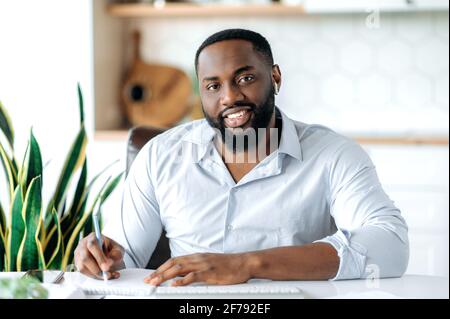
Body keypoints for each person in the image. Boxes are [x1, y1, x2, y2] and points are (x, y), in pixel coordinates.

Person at [74, 29, 409, 286]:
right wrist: (101, 259)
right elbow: (125, 258)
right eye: (213, 86)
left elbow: (389, 246)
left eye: (245, 78)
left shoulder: (334, 155)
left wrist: (247, 264)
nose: (230, 97)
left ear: (275, 77)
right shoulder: (161, 155)